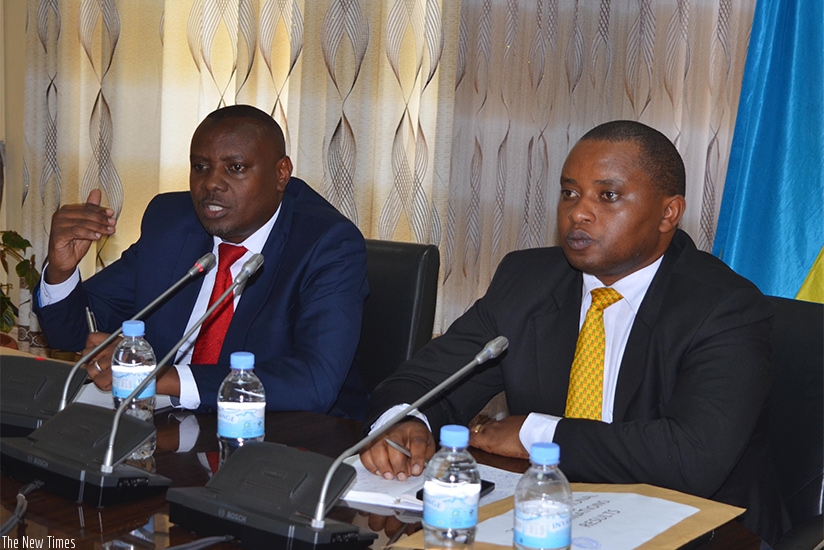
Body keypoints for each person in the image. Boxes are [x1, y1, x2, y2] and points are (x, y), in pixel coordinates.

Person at [359, 120, 787, 542]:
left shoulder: (723, 306)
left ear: (667, 213)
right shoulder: (526, 281)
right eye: (569, 193)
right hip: (550, 519)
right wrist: (405, 421)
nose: (578, 212)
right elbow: (426, 380)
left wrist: (536, 434)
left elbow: (691, 456)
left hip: (703, 530)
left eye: (608, 195)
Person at [34, 104, 368, 416]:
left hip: (285, 441)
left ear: (282, 174)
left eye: (235, 168)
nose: (210, 183)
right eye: (201, 167)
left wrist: (164, 378)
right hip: (168, 427)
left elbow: (314, 382)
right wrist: (62, 270)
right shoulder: (172, 223)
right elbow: (76, 334)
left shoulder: (326, 244)